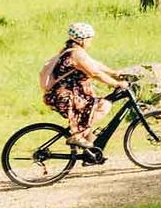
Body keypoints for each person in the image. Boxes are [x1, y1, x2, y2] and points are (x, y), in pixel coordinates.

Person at [40, 22, 125, 151]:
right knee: (104, 105)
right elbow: (94, 73)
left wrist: (113, 73)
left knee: (88, 115)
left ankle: (90, 153)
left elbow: (95, 64)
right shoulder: (76, 54)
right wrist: (116, 84)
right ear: (82, 39)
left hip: (69, 94)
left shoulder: (72, 50)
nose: (91, 41)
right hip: (67, 96)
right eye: (90, 38)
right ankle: (78, 135)